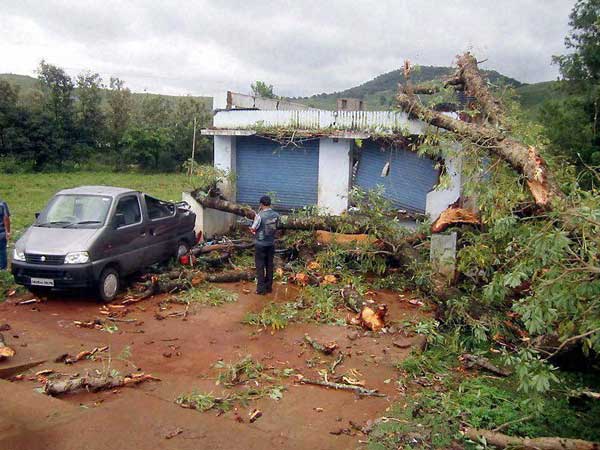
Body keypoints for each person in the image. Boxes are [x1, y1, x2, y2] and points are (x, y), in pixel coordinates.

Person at [250, 195, 279, 295]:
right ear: (270, 204)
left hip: (260, 245)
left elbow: (253, 228)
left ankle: (261, 289)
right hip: (271, 244)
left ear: (261, 204)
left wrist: (252, 231)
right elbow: (277, 227)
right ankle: (269, 287)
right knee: (269, 265)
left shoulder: (259, 216)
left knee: (260, 266)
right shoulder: (276, 215)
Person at [0, 198, 10, 270]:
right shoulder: (2, 204)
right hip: (1, 231)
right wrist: (8, 232)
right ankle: (3, 270)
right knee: (2, 251)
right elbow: (6, 218)